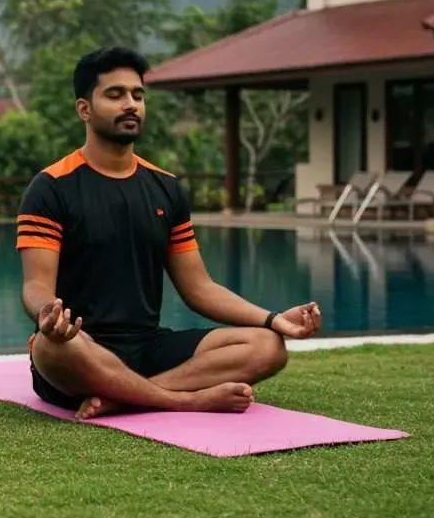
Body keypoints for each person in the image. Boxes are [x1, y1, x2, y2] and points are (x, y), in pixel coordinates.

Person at [17, 46, 320, 419]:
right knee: (48, 348)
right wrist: (49, 317)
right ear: (85, 109)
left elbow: (200, 289)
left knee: (267, 346)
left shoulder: (166, 188)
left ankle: (126, 397)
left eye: (137, 95)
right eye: (115, 94)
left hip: (148, 347)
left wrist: (273, 319)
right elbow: (35, 285)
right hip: (80, 347)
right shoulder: (51, 187)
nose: (131, 104)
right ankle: (184, 399)